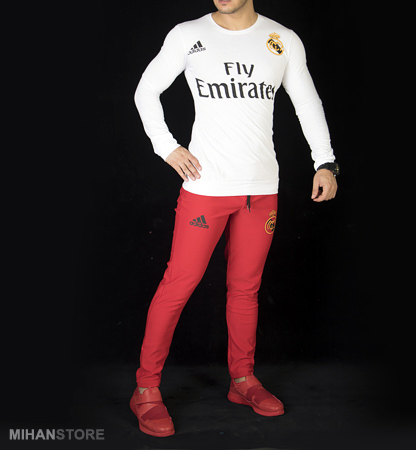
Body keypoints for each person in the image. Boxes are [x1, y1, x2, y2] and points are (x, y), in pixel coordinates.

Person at [130, 0, 339, 437]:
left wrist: (325, 162)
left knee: (245, 289)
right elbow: (146, 91)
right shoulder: (188, 35)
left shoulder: (281, 40)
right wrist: (167, 147)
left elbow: (307, 102)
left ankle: (242, 380)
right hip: (206, 189)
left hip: (261, 190)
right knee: (178, 284)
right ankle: (146, 388)